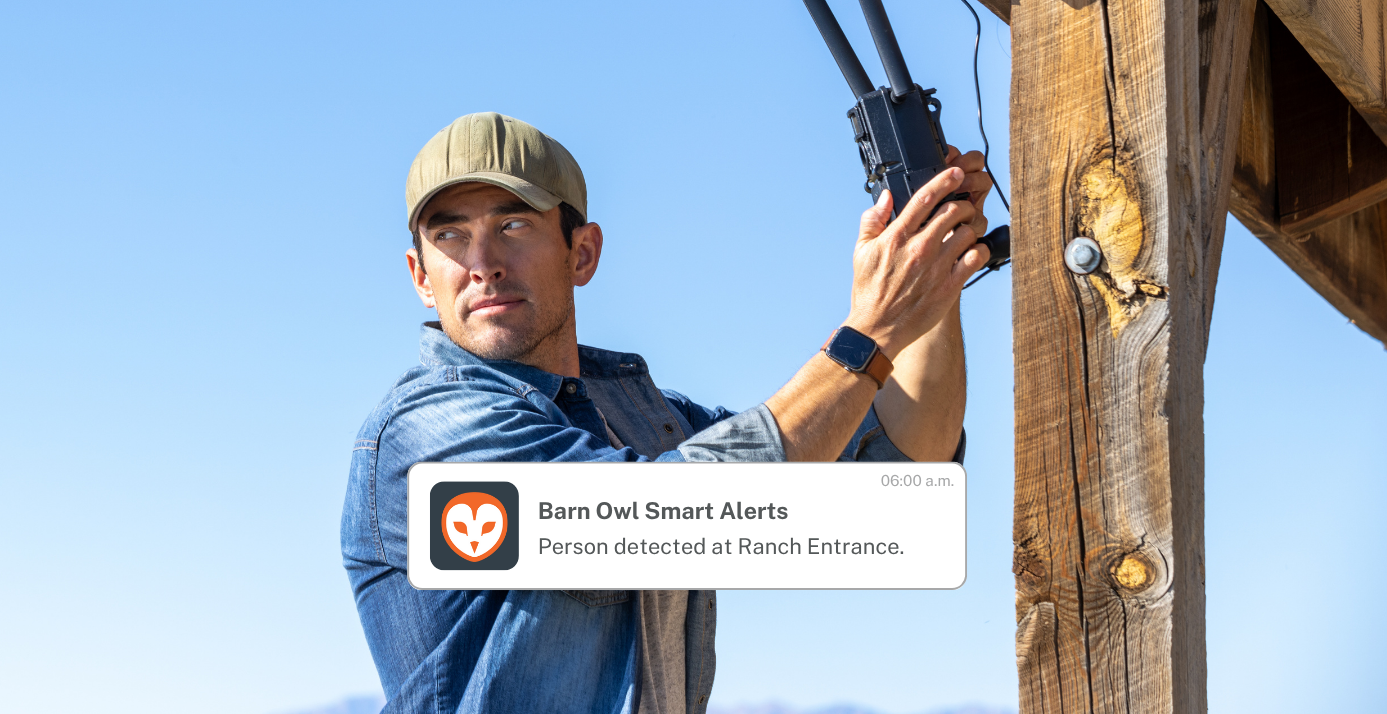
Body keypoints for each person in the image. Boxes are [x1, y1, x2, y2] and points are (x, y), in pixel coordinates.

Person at [341, 111, 993, 714]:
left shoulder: (644, 417)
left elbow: (902, 489)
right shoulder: (427, 432)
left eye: (513, 225)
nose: (481, 265)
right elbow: (672, 515)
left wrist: (935, 269)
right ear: (420, 275)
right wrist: (869, 332)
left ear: (583, 253)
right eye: (450, 235)